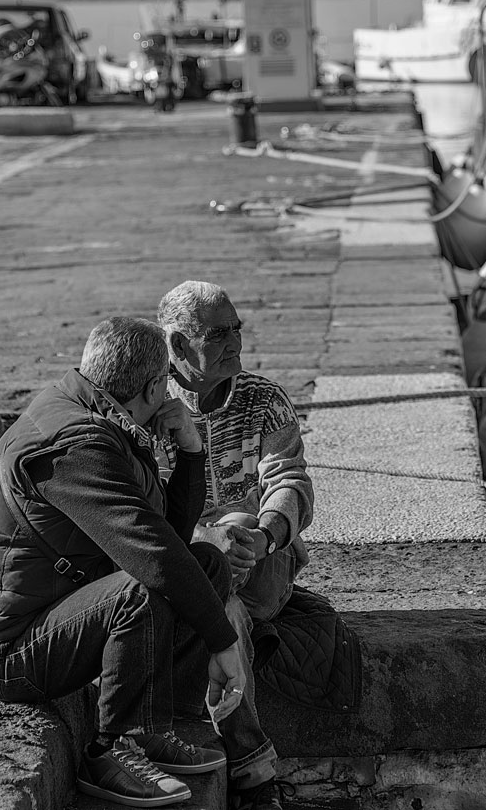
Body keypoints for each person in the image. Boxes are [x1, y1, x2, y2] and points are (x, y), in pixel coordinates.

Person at [0, 317, 246, 808]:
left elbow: (169, 539)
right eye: (167, 383)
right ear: (153, 387)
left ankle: (155, 728)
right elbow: (152, 553)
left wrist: (192, 452)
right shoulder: (74, 445)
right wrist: (224, 642)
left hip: (51, 617)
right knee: (141, 590)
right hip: (6, 653)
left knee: (206, 565)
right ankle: (110, 749)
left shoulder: (94, 414)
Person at [157, 280, 315, 809]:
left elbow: (291, 481)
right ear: (179, 345)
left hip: (263, 561)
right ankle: (254, 772)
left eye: (237, 329)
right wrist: (207, 540)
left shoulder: (263, 399)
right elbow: (140, 508)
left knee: (240, 527)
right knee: (224, 610)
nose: (235, 342)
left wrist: (264, 535)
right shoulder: (154, 407)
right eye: (219, 334)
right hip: (195, 567)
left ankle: (240, 765)